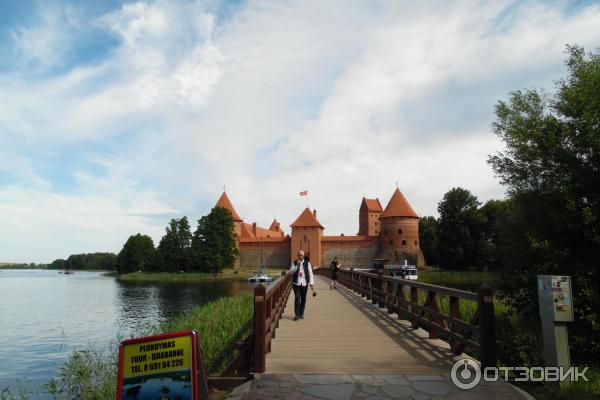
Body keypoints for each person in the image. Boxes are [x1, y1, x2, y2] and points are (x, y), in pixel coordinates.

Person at [290, 250, 314, 320]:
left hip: (304, 283)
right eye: (298, 255)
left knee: (303, 299)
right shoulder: (294, 262)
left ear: (303, 256)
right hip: (296, 283)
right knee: (297, 298)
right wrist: (296, 266)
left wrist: (311, 283)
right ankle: (297, 315)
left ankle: (301, 313)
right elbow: (291, 272)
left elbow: (310, 273)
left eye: (301, 255)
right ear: (297, 256)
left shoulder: (307, 263)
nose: (299, 256)